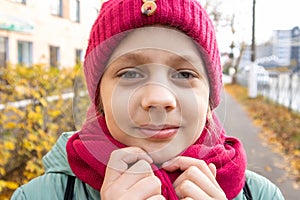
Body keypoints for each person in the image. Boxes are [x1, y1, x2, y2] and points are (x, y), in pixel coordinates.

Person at [11, 0, 284, 199]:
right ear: (99, 99)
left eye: (184, 73)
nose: (158, 98)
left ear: (210, 98)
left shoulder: (261, 194)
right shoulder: (39, 195)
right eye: (130, 73)